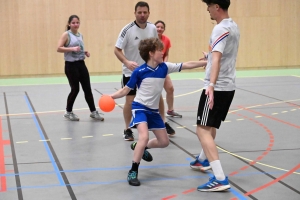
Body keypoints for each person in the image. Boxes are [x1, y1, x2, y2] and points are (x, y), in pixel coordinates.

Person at [109, 37, 207, 186]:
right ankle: (133, 170)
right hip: (140, 108)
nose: (163, 52)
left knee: (164, 142)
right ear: (151, 53)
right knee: (143, 136)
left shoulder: (164, 67)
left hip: (153, 112)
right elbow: (126, 90)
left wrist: (206, 63)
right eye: (159, 50)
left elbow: (187, 64)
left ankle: (142, 147)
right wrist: (111, 97)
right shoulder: (139, 72)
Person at [189, 0, 240, 192]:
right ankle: (203, 160)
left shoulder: (219, 29)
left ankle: (219, 178)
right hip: (228, 86)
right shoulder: (233, 26)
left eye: (209, 6)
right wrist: (208, 57)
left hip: (216, 87)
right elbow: (220, 55)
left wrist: (210, 85)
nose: (207, 10)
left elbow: (218, 58)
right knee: (210, 126)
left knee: (202, 129)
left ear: (217, 6)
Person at [114, 1, 175, 141]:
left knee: (158, 96)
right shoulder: (127, 29)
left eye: (145, 12)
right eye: (139, 12)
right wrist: (127, 62)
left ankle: (163, 122)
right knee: (130, 100)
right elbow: (116, 49)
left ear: (148, 13)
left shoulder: (153, 28)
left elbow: (156, 46)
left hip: (150, 71)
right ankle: (127, 129)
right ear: (135, 13)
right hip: (132, 72)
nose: (142, 15)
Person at [57, 15, 104, 121]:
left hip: (81, 64)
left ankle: (93, 112)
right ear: (69, 24)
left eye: (77, 22)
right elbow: (59, 48)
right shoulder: (66, 34)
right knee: (75, 89)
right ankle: (68, 112)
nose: (75, 24)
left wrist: (85, 52)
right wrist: (72, 48)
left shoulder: (80, 35)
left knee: (87, 88)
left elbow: (79, 48)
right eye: (73, 23)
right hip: (71, 65)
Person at [155, 20, 182, 118]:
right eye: (157, 27)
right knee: (155, 92)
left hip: (162, 68)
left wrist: (165, 64)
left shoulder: (166, 40)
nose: (159, 29)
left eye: (161, 27)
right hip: (152, 69)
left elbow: (166, 54)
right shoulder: (150, 40)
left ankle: (170, 110)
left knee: (170, 88)